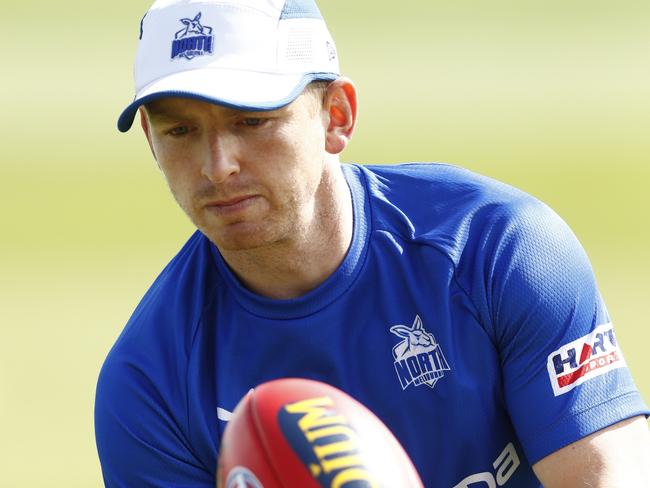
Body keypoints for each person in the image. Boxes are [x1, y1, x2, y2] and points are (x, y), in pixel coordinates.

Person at [94, 0, 650, 486]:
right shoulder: (149, 382)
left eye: (252, 121)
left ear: (337, 116)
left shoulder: (498, 249)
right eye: (181, 131)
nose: (218, 167)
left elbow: (604, 476)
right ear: (150, 139)